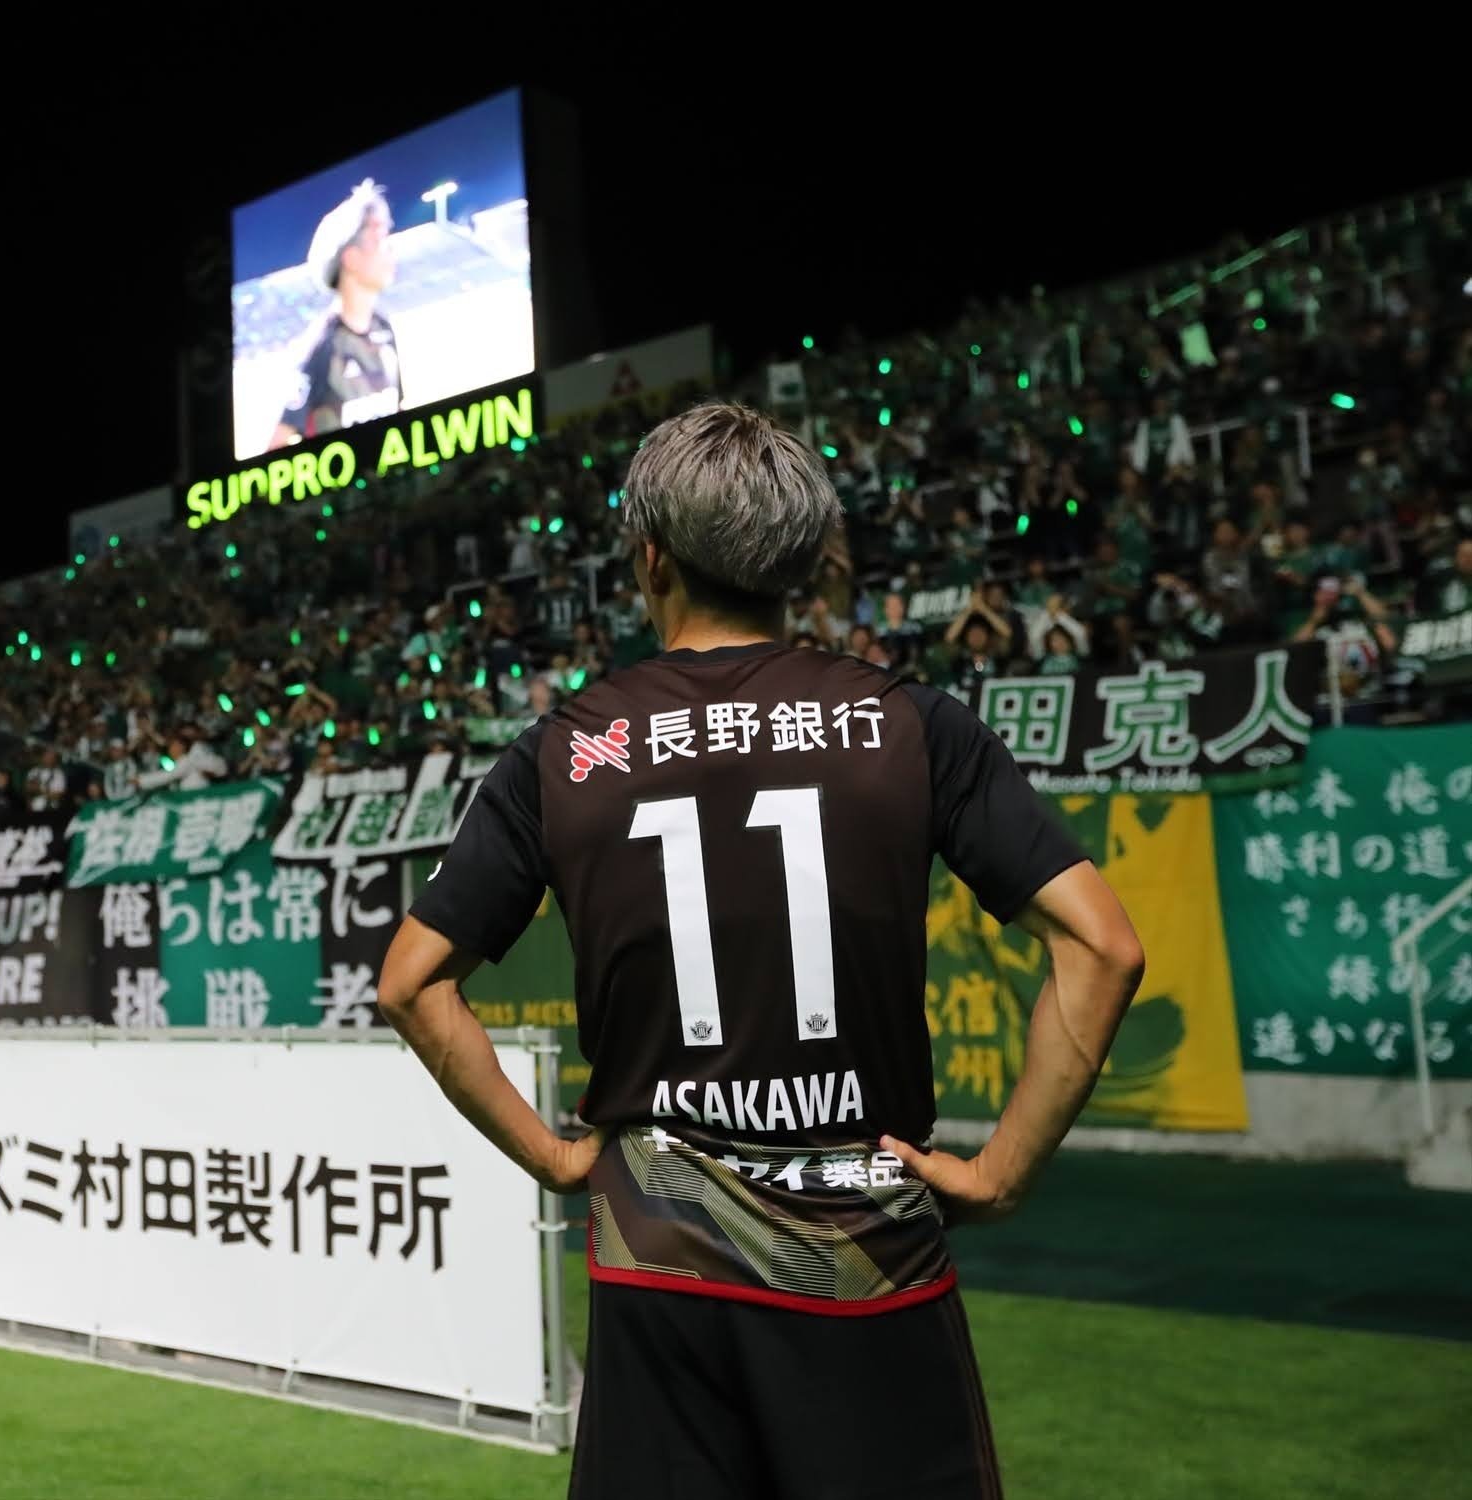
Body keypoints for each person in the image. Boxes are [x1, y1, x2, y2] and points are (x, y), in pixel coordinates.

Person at [377, 400, 1144, 1499]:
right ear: (804, 560)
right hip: (871, 1259)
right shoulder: (912, 723)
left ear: (650, 559)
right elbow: (1104, 948)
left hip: (659, 1270)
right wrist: (1002, 1171)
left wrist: (553, 1159)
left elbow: (413, 982)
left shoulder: (564, 752)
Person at [268, 179, 401, 449]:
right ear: (350, 257)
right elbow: (277, 444)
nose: (390, 250)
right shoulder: (320, 347)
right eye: (379, 239)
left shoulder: (384, 330)